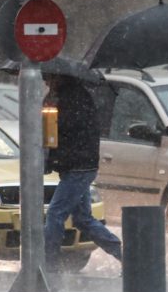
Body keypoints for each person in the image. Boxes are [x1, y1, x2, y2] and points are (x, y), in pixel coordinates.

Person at [43, 73, 122, 272]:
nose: (46, 82)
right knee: (82, 219)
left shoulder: (73, 99)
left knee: (55, 213)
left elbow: (61, 131)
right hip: (78, 166)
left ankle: (47, 264)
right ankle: (126, 256)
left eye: (49, 78)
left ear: (60, 78)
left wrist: (51, 110)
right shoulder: (70, 96)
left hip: (78, 167)